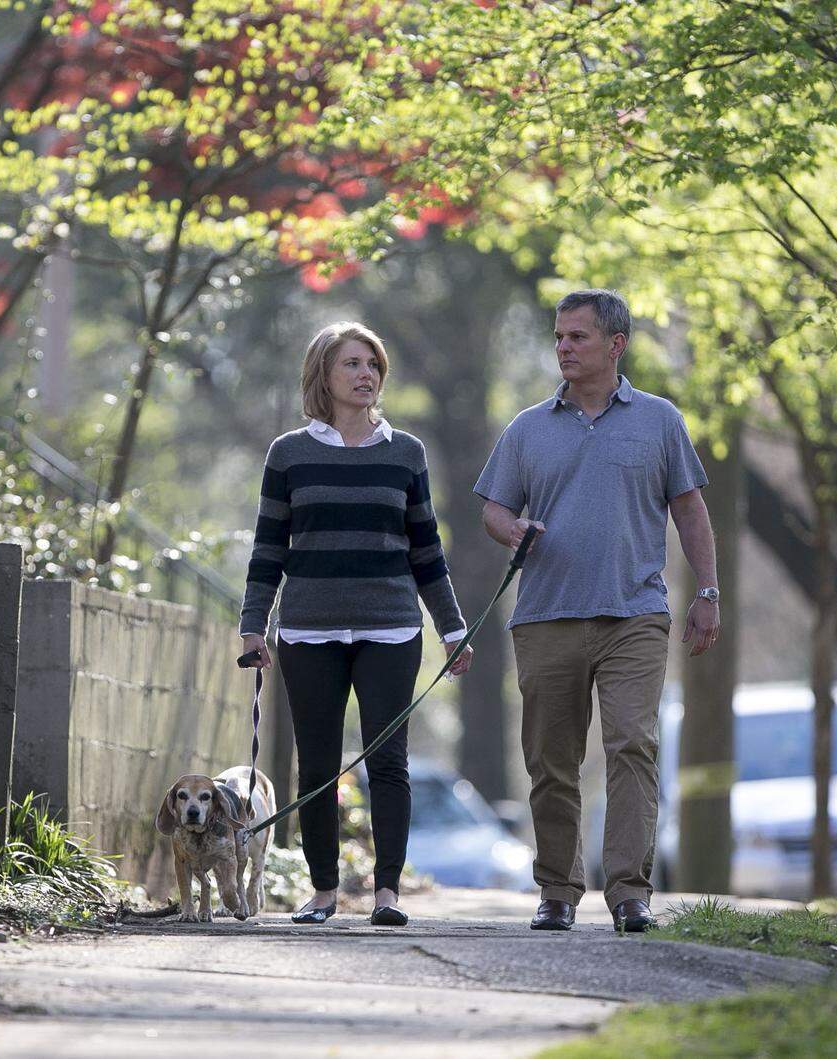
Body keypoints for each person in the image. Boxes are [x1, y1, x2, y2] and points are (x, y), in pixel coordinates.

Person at [474, 289, 719, 934]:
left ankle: (630, 893)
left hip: (634, 614)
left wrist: (708, 591)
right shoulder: (527, 428)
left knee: (632, 745)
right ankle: (557, 890)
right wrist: (513, 529)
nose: (563, 348)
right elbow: (493, 508)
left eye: (577, 337)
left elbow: (690, 509)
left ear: (616, 345)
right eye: (559, 337)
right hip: (546, 618)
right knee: (551, 760)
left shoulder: (660, 420)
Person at [239, 321, 473, 927]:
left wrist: (452, 629)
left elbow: (427, 552)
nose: (367, 374)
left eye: (373, 365)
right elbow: (268, 548)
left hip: (391, 628)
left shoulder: (406, 453)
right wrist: (252, 626)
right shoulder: (289, 454)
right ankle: (321, 892)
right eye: (353, 364)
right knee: (315, 764)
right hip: (308, 629)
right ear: (323, 373)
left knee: (387, 761)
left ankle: (387, 892)